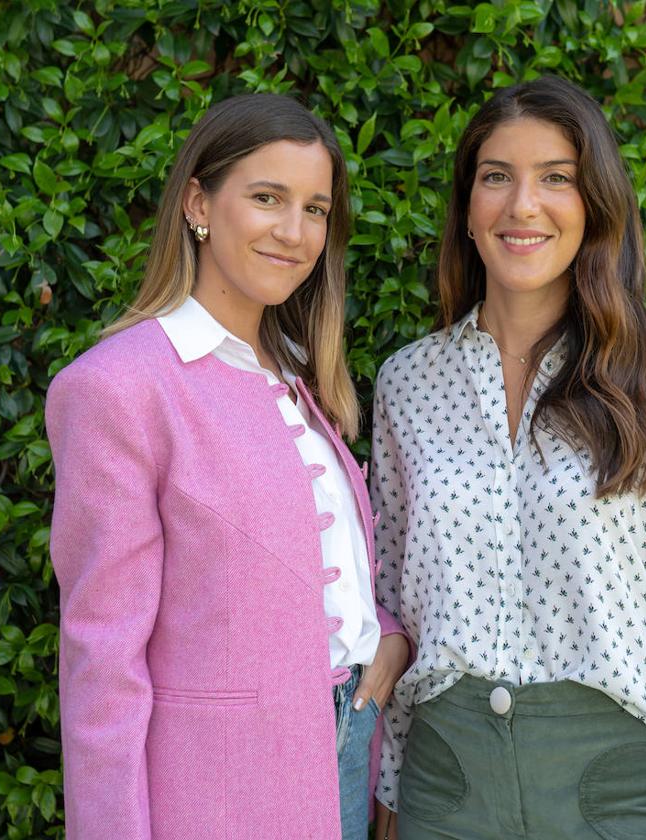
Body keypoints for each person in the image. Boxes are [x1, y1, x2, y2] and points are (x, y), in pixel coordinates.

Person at [369, 76, 646, 840]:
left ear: (595, 205)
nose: (522, 206)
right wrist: (387, 788)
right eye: (495, 177)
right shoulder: (407, 381)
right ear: (467, 210)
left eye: (556, 178)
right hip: (445, 790)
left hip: (613, 794)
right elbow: (395, 600)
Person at [45, 93, 410, 840]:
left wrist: (385, 639)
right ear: (198, 203)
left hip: (341, 758)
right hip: (212, 794)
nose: (294, 231)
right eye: (267, 198)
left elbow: (291, 574)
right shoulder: (120, 387)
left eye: (315, 209)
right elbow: (103, 661)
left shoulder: (300, 378)